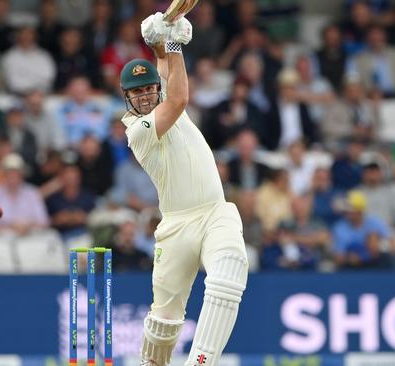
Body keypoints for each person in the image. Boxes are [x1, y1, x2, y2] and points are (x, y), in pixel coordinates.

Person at [124, 14, 248, 366]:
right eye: (137, 91)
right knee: (163, 324)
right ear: (128, 98)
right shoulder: (139, 130)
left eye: (149, 88)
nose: (146, 95)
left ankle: (200, 363)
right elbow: (178, 97)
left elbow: (167, 71)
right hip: (176, 227)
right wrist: (174, 42)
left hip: (214, 213)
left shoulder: (162, 97)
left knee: (229, 274)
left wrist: (159, 42)